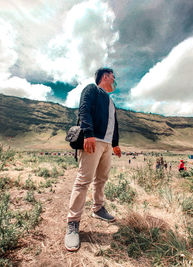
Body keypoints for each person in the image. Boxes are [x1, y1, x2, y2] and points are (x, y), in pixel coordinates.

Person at [65, 67, 121, 251]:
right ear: (105, 76)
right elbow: (84, 109)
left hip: (106, 145)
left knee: (101, 179)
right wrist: (88, 133)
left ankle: (98, 209)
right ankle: (73, 223)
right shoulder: (91, 90)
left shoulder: (111, 101)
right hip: (93, 141)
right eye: (113, 76)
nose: (115, 79)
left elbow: (115, 124)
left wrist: (115, 143)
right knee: (83, 180)